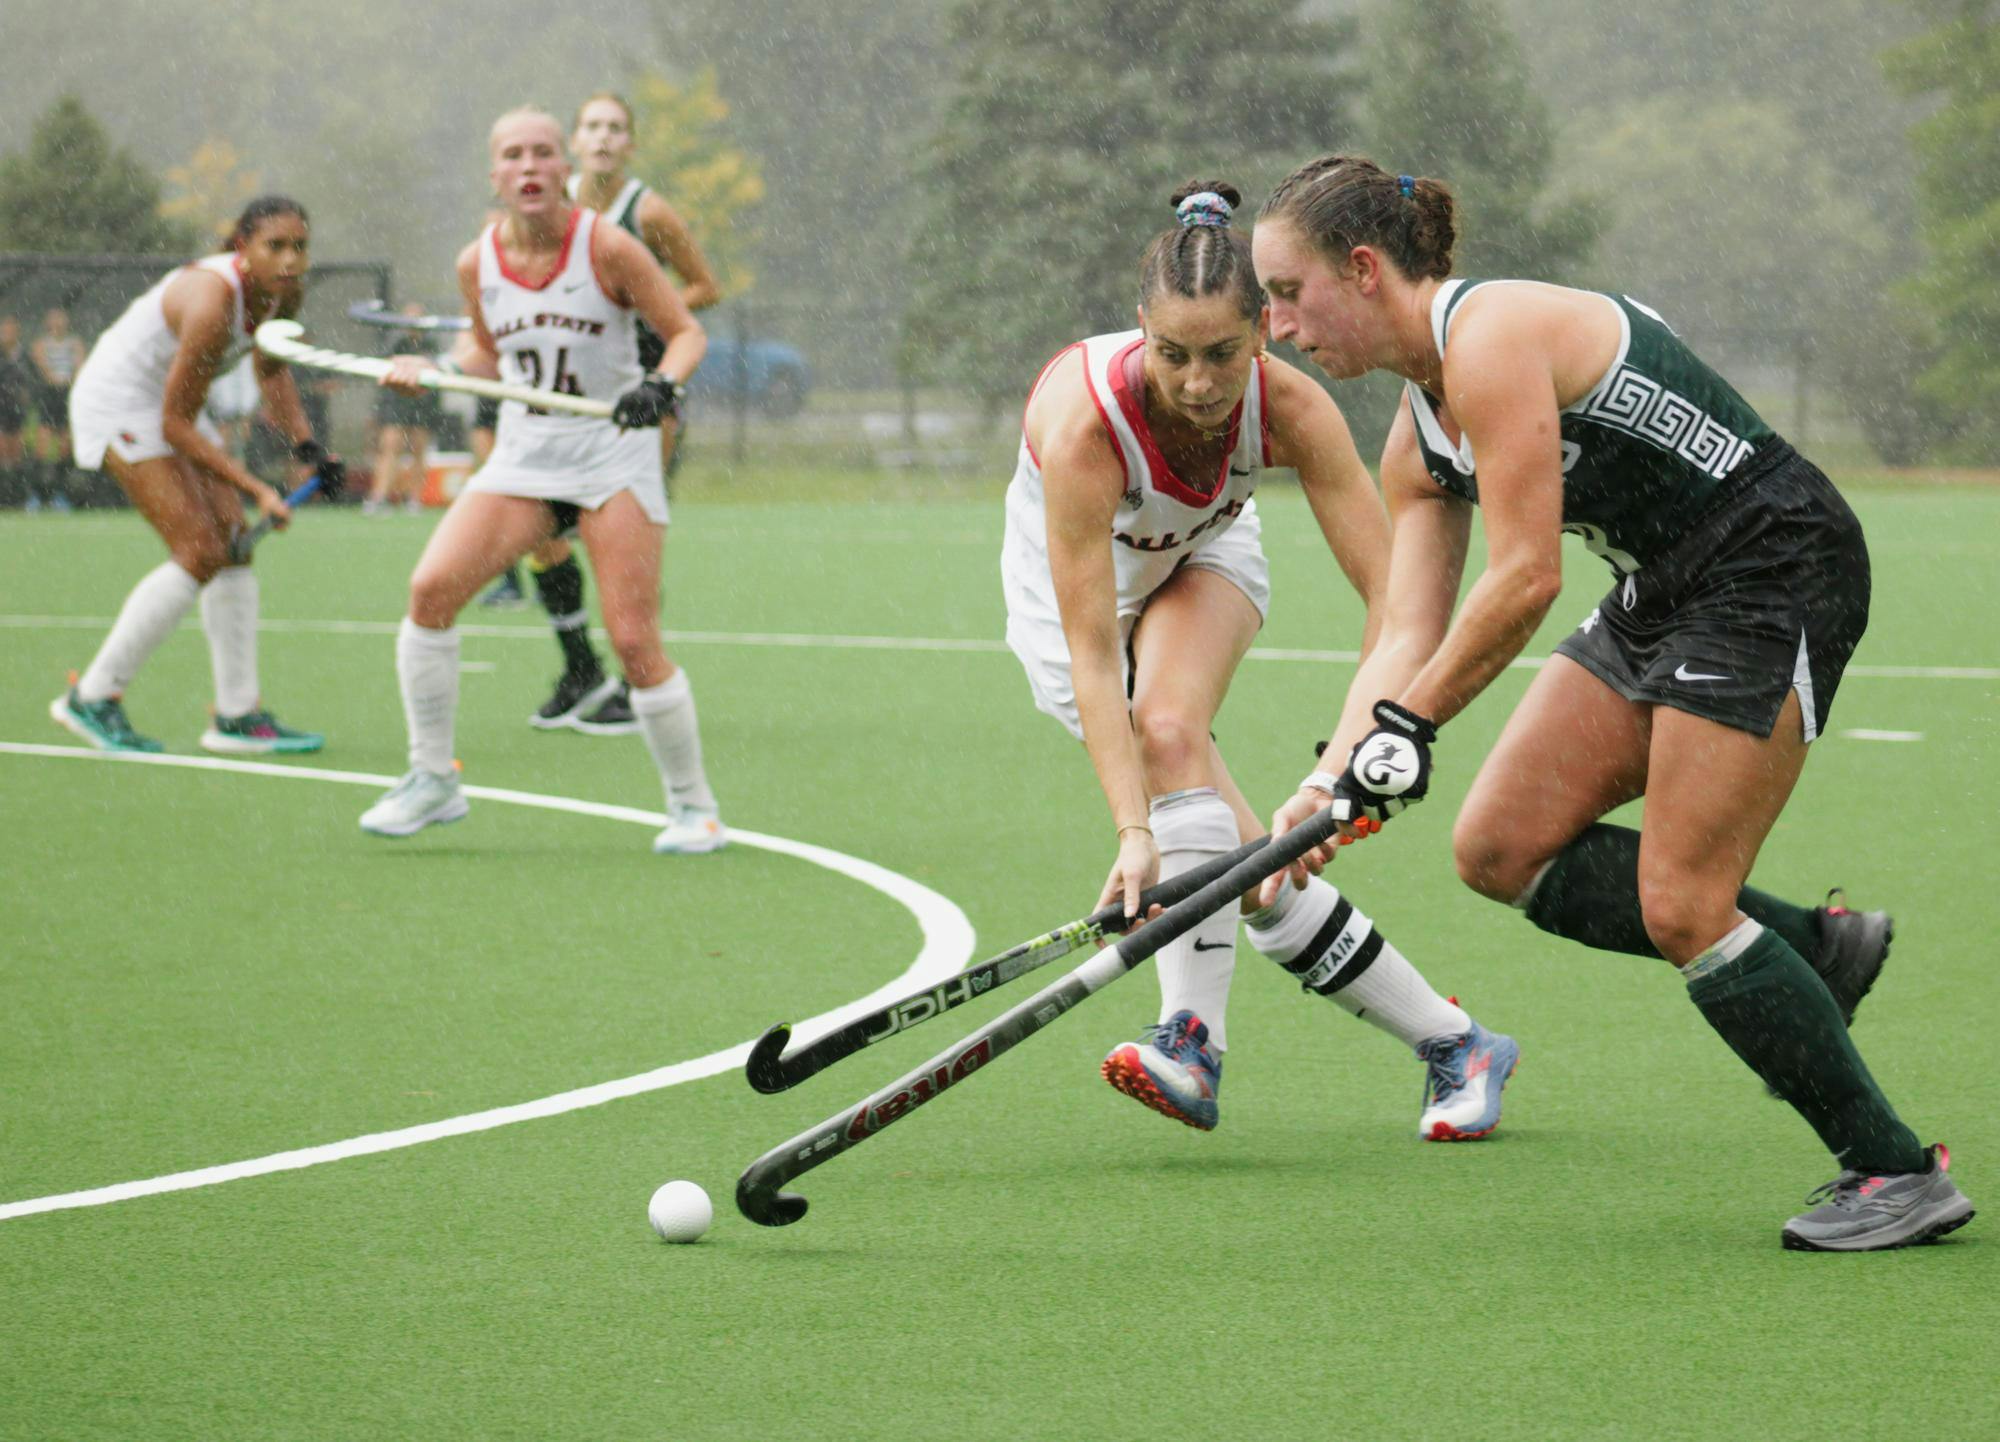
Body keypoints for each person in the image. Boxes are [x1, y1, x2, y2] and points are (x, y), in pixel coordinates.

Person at [1252, 154, 1973, 1250]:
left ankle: (1891, 1167)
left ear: (1358, 270)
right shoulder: (1413, 436)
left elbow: (1526, 575)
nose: (1279, 327)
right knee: (1498, 847)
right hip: (1663, 588)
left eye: (1287, 293)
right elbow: (1404, 630)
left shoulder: (1488, 338)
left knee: (1682, 901)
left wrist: (1406, 729)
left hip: (1772, 565)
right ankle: (1812, 950)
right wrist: (1325, 780)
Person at [1002, 180, 1516, 1138]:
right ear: (1138, 332)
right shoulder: (1084, 428)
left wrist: (1348, 767)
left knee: (1168, 729)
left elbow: (1395, 602)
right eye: (1173, 355)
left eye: (1222, 354)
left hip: (1206, 550)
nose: (1199, 383)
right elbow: (1086, 645)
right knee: (1255, 866)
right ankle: (1456, 1043)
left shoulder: (1293, 412)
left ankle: (1189, 1037)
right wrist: (1130, 835)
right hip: (1070, 597)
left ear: (1264, 333)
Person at [359, 106, 724, 855]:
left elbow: (688, 331)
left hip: (613, 454)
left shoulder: (609, 246)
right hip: (527, 456)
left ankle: (695, 809)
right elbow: (487, 354)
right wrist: (438, 372)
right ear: (494, 175)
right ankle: (433, 778)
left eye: (542, 154)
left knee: (633, 641)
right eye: (513, 156)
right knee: (430, 593)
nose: (529, 167)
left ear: (564, 170)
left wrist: (661, 385)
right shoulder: (477, 263)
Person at [50, 196, 339, 755]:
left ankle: (236, 715)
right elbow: (176, 425)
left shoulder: (285, 293)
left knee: (234, 546)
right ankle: (93, 696)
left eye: (299, 246)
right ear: (242, 247)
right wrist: (258, 489)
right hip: (122, 402)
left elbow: (271, 370)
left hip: (172, 404)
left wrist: (308, 447)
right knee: (200, 549)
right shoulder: (212, 303)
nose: (288, 259)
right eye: (274, 245)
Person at [479, 91, 724, 736]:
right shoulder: (538, 210)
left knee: (628, 547)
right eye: (592, 126)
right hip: (559, 409)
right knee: (543, 537)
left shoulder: (647, 212)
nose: (604, 138)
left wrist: (632, 310)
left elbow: (702, 290)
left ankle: (631, 673)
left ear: (631, 143)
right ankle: (578, 664)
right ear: (573, 144)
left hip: (639, 400)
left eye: (617, 128)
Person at [366, 303, 445, 516]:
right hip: (397, 402)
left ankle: (414, 499)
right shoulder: (396, 342)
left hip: (424, 403)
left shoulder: (431, 344)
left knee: (419, 449)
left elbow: (438, 372)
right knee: (390, 447)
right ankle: (379, 497)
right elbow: (384, 371)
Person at [30, 306, 88, 511]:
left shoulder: (75, 342)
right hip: (48, 398)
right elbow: (44, 368)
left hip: (67, 398)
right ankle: (38, 497)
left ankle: (63, 496)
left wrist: (69, 381)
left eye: (61, 319)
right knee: (43, 450)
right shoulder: (40, 344)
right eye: (54, 319)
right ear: (48, 322)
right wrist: (57, 380)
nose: (58, 323)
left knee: (65, 449)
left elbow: (79, 366)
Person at [0, 316, 28, 508]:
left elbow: (29, 381)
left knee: (17, 454)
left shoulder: (23, 355)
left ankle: (18, 498)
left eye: (11, 330)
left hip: (17, 410)